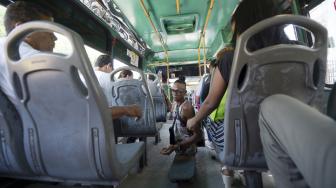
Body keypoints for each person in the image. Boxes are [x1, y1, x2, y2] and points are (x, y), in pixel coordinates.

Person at [187, 0, 291, 187]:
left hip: (246, 143)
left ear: (243, 27)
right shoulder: (299, 52)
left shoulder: (229, 60)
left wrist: (194, 120)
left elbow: (211, 103)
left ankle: (229, 171)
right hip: (290, 139)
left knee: (212, 122)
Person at [0, 1, 141, 121]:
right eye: (48, 30)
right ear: (22, 30)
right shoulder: (42, 65)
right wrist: (126, 110)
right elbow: (88, 113)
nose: (54, 38)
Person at [160, 76, 201, 155]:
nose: (175, 93)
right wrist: (164, 96)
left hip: (187, 149)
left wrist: (178, 146)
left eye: (179, 91)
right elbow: (172, 109)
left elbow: (198, 135)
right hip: (178, 145)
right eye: (173, 90)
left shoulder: (187, 108)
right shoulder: (175, 103)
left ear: (185, 93)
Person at [94, 54, 142, 120]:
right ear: (108, 66)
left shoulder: (83, 74)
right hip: (103, 119)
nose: (112, 71)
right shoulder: (109, 78)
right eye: (112, 69)